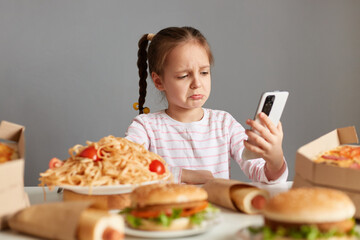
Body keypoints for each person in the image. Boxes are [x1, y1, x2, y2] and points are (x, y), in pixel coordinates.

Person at [125, 26, 288, 184]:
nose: (197, 83)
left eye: (204, 73)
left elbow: (263, 175)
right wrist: (184, 175)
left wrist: (275, 159)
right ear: (159, 81)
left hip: (216, 212)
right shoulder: (146, 127)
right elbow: (125, 167)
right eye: (183, 76)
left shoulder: (224, 123)